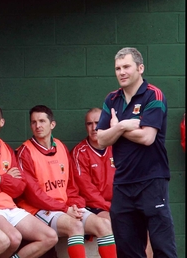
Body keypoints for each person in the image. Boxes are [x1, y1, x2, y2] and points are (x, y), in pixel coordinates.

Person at [96, 47, 177, 257]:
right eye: (117, 68)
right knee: (127, 250)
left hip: (152, 181)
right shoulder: (111, 100)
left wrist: (115, 127)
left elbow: (147, 137)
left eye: (126, 67)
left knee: (162, 247)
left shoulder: (154, 95)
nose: (121, 72)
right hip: (123, 184)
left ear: (140, 68)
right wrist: (123, 126)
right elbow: (101, 139)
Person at [16, 105, 116, 258]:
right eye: (34, 122)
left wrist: (76, 205)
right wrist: (64, 208)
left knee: (103, 225)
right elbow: (33, 194)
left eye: (42, 121)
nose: (38, 126)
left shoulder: (61, 147)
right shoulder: (25, 151)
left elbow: (71, 186)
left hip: (64, 207)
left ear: (52, 124)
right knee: (75, 226)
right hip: (38, 209)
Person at [0, 104, 58, 258]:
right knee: (14, 238)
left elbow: (19, 188)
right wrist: (6, 178)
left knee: (50, 237)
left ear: (2, 122)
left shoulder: (6, 148)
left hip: (10, 206)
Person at [72, 108, 115, 218]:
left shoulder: (117, 148)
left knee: (143, 224)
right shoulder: (79, 152)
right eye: (89, 124)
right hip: (93, 206)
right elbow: (87, 191)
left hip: (118, 204)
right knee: (117, 223)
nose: (94, 128)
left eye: (97, 122)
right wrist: (111, 207)